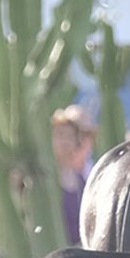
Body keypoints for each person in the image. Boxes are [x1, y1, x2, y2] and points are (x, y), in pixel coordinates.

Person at [52, 104, 98, 246]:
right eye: (60, 134)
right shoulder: (42, 179)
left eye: (87, 135)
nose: (83, 141)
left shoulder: (94, 175)